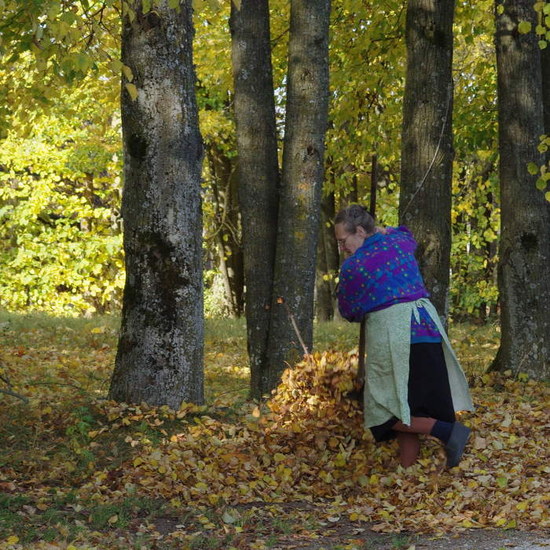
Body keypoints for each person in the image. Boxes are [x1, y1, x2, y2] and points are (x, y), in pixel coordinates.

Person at [335, 204, 474, 468]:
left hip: (395, 337)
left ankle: (448, 431)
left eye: (343, 240)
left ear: (360, 231)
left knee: (382, 410)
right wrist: (382, 231)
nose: (342, 248)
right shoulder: (398, 241)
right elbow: (406, 233)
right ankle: (408, 470)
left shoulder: (353, 266)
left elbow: (348, 310)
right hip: (427, 329)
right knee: (407, 404)